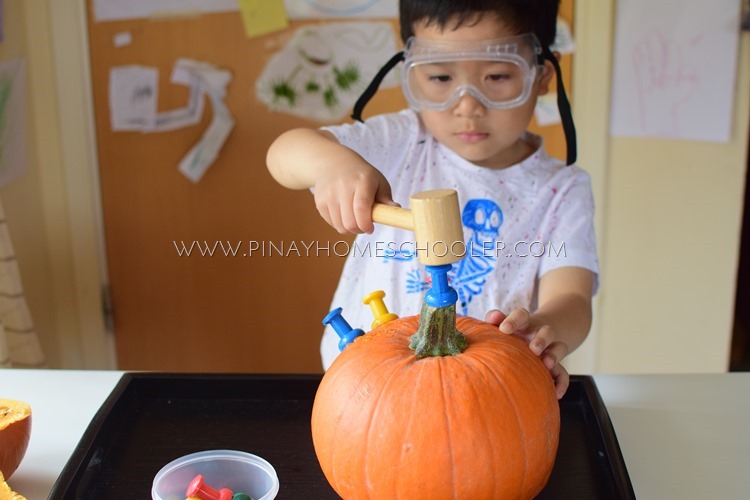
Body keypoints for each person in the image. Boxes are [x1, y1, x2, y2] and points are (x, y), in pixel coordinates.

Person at [267, 0, 598, 398]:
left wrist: (545, 329)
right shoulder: (404, 141)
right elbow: (283, 153)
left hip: (484, 394)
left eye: (496, 76)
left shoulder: (561, 190)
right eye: (441, 77)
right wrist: (331, 164)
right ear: (412, 71)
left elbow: (572, 298)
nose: (468, 105)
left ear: (540, 75)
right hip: (363, 390)